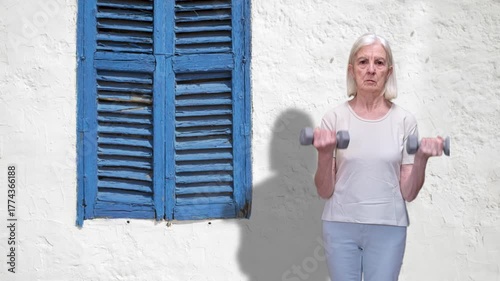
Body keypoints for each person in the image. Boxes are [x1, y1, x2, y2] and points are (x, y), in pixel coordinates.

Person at [313, 33, 444, 281]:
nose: (371, 70)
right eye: (363, 62)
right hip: (340, 225)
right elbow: (324, 191)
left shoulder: (405, 121)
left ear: (389, 71)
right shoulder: (334, 118)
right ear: (352, 70)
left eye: (379, 63)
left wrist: (422, 159)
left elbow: (408, 193)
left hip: (388, 226)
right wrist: (324, 153)